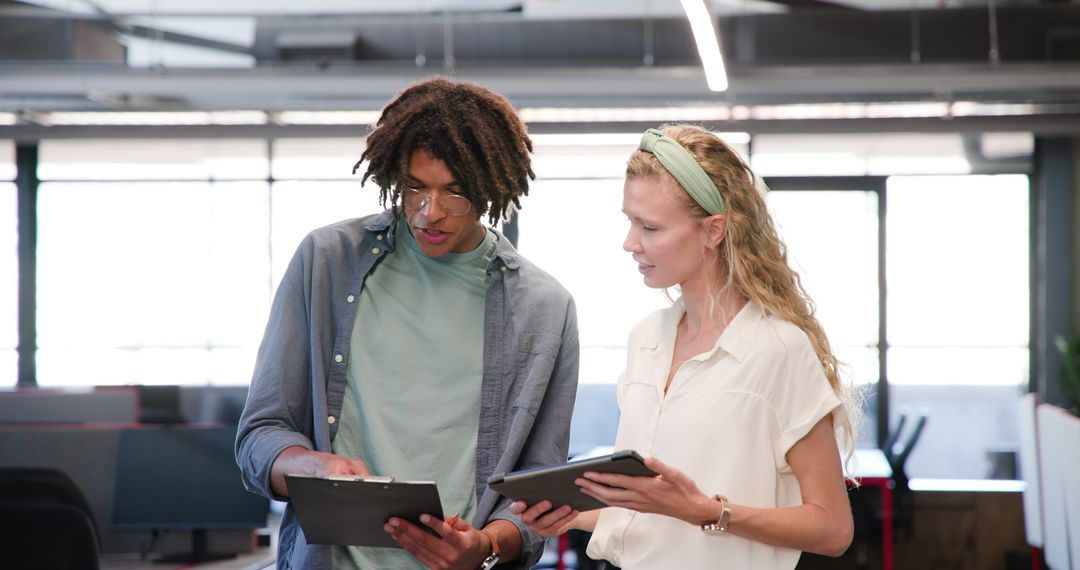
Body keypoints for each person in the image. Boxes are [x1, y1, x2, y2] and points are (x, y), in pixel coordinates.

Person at [235, 76, 580, 570]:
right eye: (414, 188)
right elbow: (260, 436)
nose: (429, 212)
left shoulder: (545, 307)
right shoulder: (325, 263)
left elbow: (539, 490)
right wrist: (314, 466)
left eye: (455, 193)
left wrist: (483, 548)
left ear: (490, 189)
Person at [511, 124, 858, 569]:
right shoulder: (646, 340)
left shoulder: (779, 350)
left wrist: (706, 511)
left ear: (713, 230)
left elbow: (832, 529)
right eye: (629, 221)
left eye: (649, 227)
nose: (630, 242)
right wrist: (569, 515)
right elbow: (648, 518)